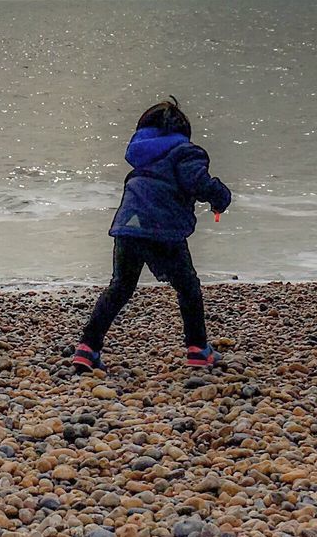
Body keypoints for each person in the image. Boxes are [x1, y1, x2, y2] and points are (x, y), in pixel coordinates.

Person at [72, 97, 230, 373]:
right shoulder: (184, 152)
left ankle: (87, 348)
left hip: (127, 228)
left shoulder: (142, 158)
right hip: (162, 229)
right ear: (183, 132)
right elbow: (198, 182)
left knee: (120, 287)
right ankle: (198, 349)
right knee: (188, 287)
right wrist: (221, 198)